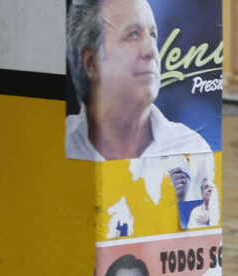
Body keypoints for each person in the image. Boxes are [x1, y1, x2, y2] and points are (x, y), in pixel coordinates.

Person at [65, 0, 211, 161]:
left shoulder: (191, 148)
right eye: (133, 34)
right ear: (92, 63)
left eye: (153, 35)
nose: (151, 51)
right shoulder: (60, 143)